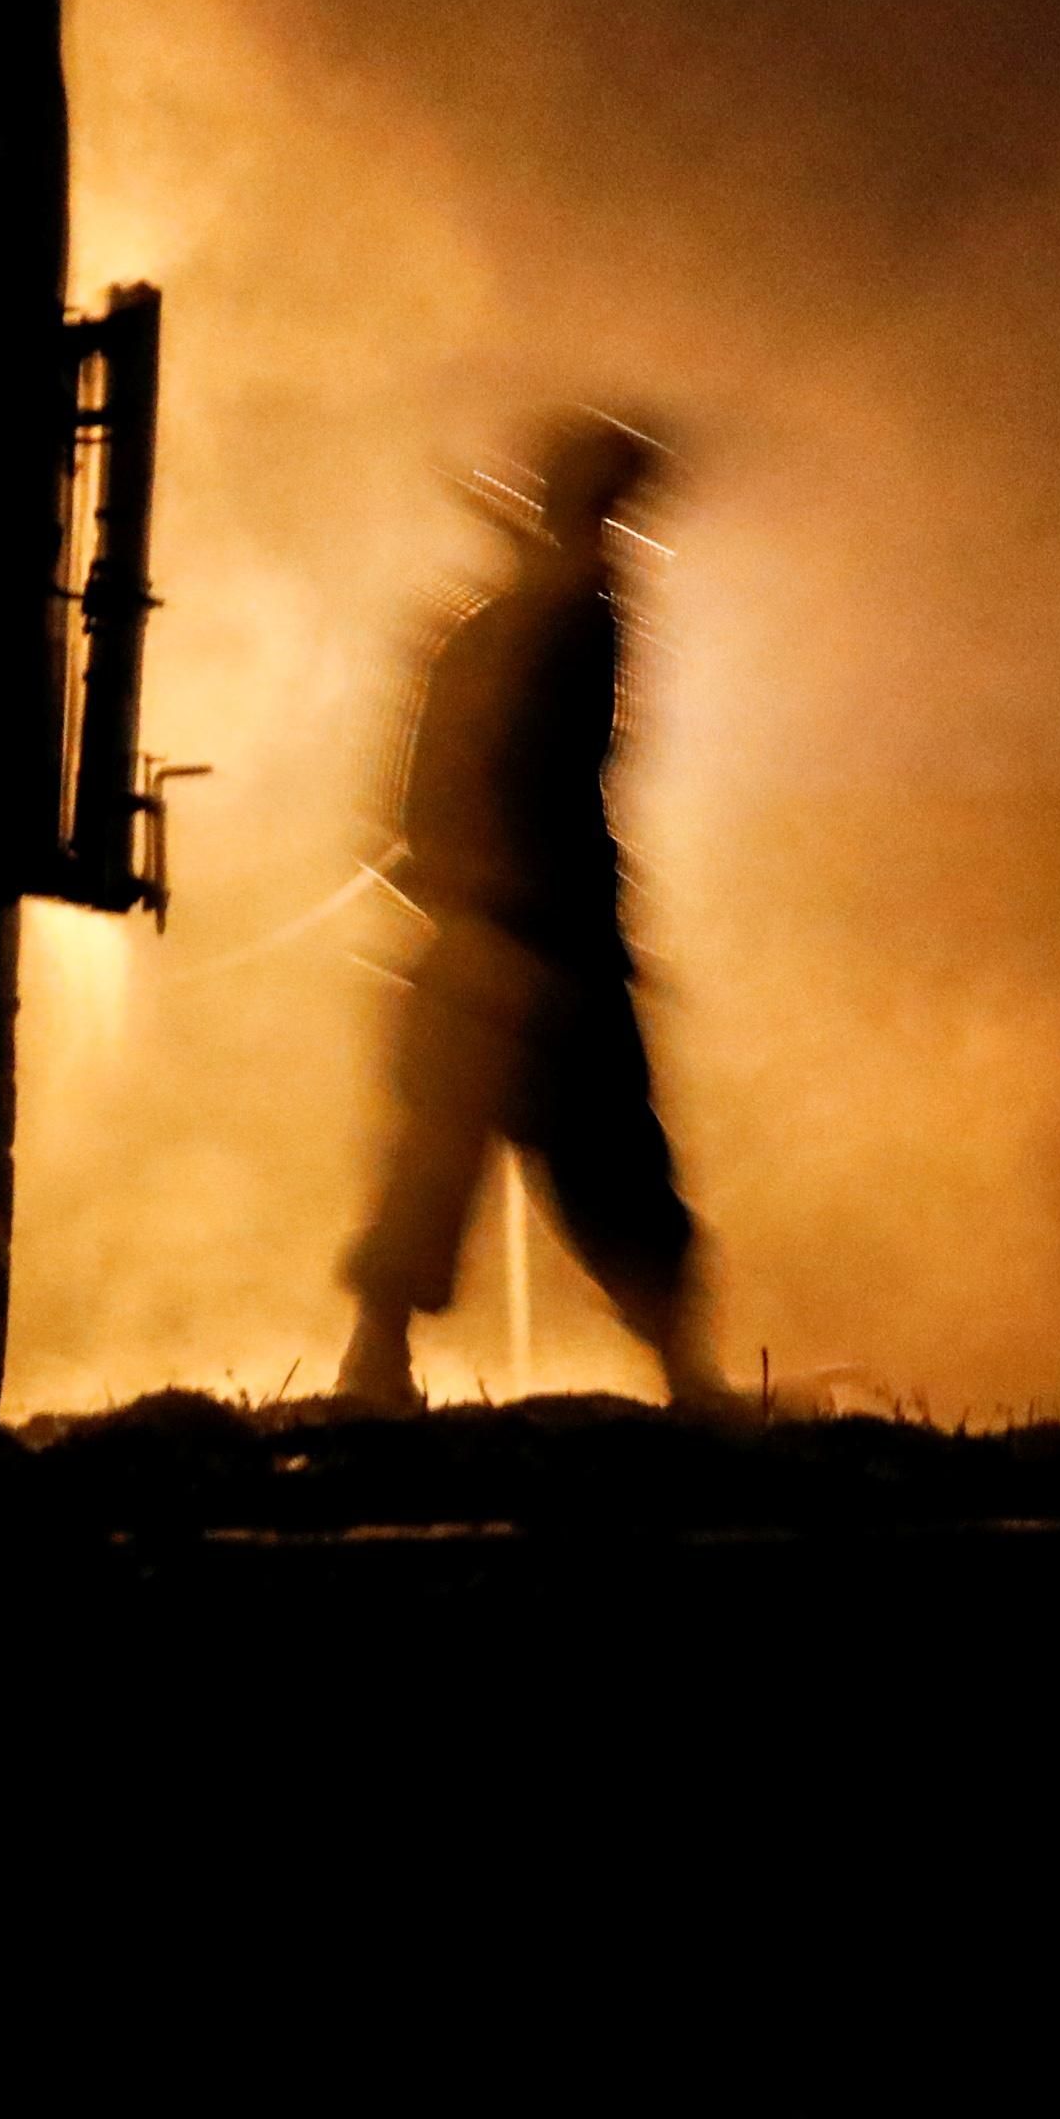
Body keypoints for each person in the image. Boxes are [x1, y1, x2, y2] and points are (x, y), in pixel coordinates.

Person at [337, 412, 735, 1419]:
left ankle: (376, 1368)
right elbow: (497, 787)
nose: (619, 534)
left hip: (499, 938)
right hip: (527, 942)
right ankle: (684, 1384)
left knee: (456, 1159)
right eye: (612, 512)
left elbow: (424, 795)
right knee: (578, 1161)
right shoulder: (556, 626)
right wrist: (510, 917)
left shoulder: (523, 623)